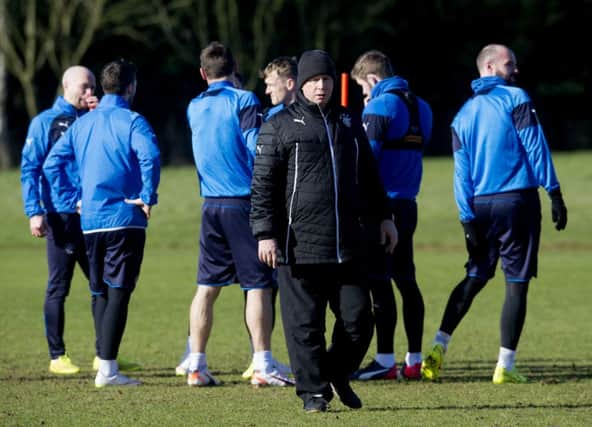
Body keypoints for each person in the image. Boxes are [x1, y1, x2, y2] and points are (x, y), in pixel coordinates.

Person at [250, 49, 398, 413]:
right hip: (297, 245)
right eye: (313, 80)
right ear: (300, 84)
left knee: (359, 320)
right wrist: (264, 234)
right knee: (305, 328)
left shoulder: (349, 121)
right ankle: (313, 393)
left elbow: (369, 175)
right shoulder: (279, 125)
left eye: (326, 80)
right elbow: (263, 185)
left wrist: (384, 216)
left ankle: (336, 372)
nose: (321, 87)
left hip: (348, 243)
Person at [421, 43, 568, 384]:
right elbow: (535, 144)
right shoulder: (516, 99)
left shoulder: (463, 115)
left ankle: (439, 344)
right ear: (488, 67)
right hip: (516, 201)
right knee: (516, 284)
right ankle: (505, 365)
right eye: (508, 64)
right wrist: (554, 190)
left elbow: (462, 173)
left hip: (481, 207)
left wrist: (465, 218)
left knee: (475, 276)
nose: (514, 70)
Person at [43, 59, 160, 387]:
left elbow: (52, 164)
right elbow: (149, 156)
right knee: (119, 291)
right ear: (131, 87)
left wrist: (72, 199)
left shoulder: (82, 124)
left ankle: (105, 362)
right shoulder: (134, 121)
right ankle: (107, 369)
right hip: (124, 219)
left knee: (100, 291)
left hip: (90, 221)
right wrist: (147, 195)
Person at [183, 41, 293, 388]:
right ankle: (262, 363)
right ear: (235, 67)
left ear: (203, 73)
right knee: (258, 285)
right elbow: (254, 147)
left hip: (210, 205)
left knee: (206, 288)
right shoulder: (244, 100)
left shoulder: (193, 106)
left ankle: (196, 365)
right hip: (243, 202)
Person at [349, 50, 433, 381]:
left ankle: (385, 360)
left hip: (381, 208)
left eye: (362, 87)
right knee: (407, 280)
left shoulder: (380, 106)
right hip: (408, 204)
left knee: (379, 282)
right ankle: (414, 360)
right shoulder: (422, 107)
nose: (363, 95)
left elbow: (366, 160)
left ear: (372, 79)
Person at [20, 66, 98, 375]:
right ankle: (57, 356)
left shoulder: (93, 119)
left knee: (102, 283)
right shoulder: (44, 123)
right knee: (58, 286)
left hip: (92, 215)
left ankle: (104, 353)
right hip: (59, 215)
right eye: (84, 86)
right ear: (66, 86)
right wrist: (34, 211)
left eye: (93, 86)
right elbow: (30, 169)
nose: (89, 92)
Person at [239, 55, 298, 381]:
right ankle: (261, 357)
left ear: (290, 84)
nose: (265, 89)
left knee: (281, 289)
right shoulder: (269, 119)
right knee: (263, 288)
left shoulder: (303, 116)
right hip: (273, 217)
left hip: (296, 216)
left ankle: (271, 358)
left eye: (270, 83)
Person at [260, 56, 298, 120]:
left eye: (271, 85)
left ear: (290, 84)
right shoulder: (270, 117)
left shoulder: (315, 113)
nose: (267, 91)